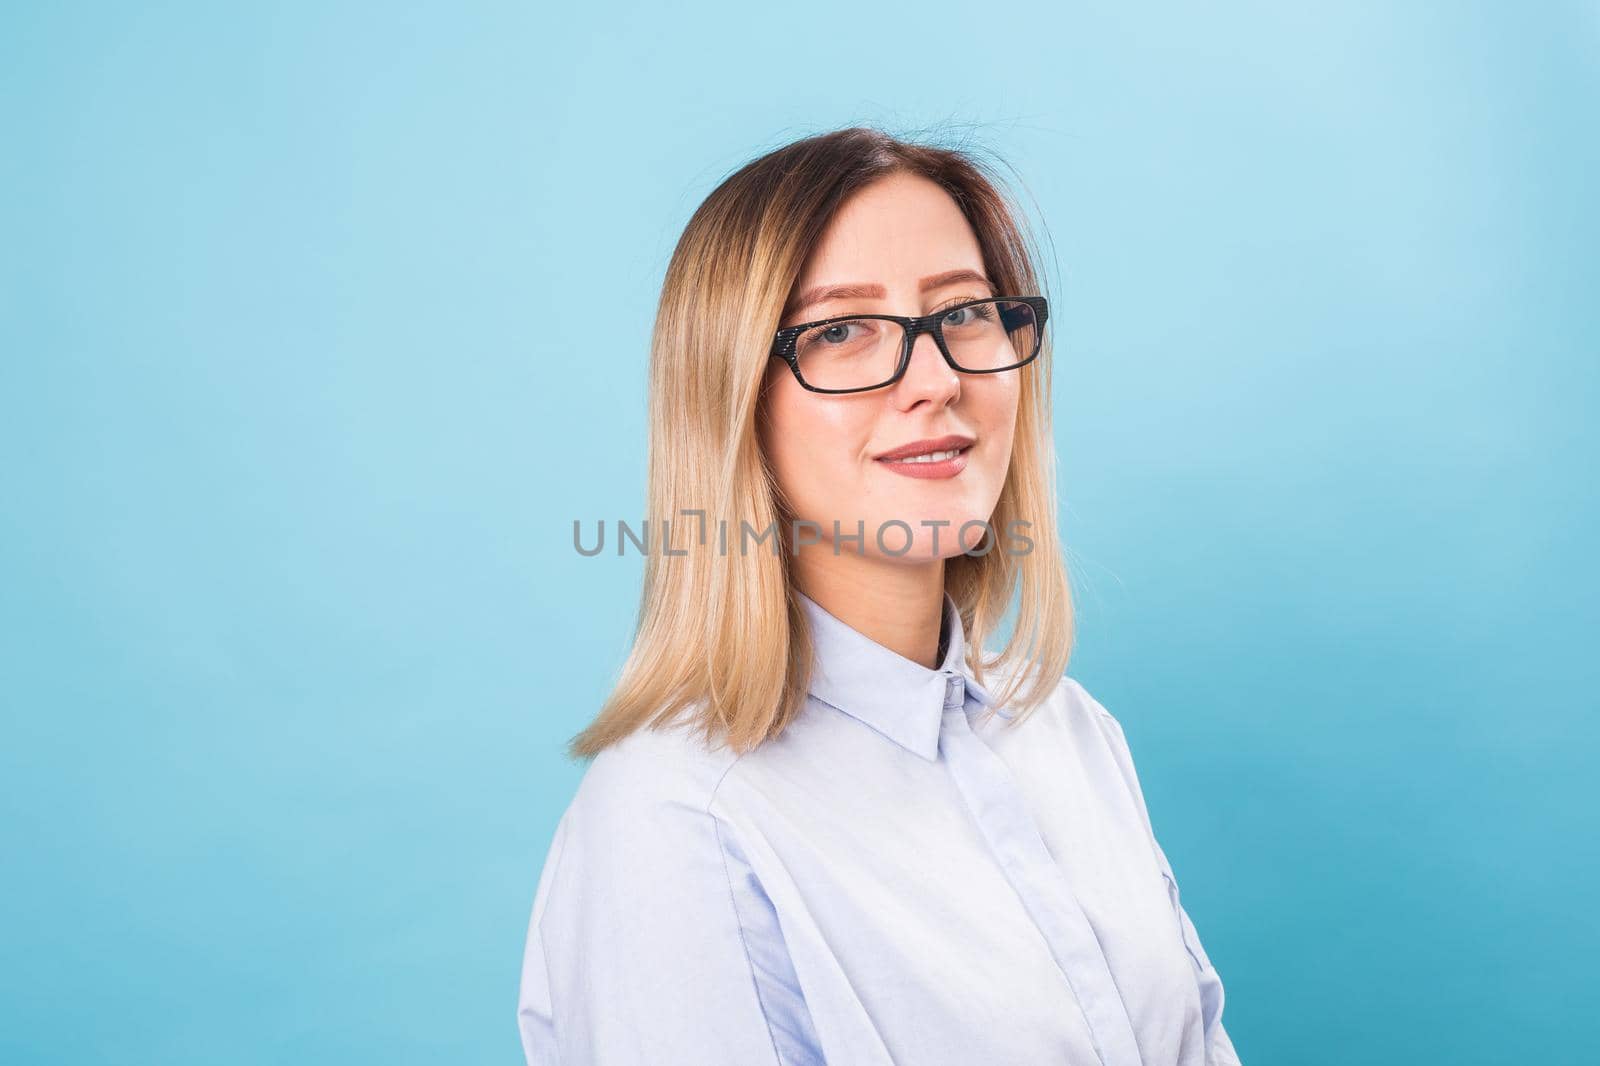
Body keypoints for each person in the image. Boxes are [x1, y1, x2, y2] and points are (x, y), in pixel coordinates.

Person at [516, 126, 1242, 1065]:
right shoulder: (679, 822)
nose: (936, 381)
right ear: (733, 399)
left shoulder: (1070, 731)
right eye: (841, 331)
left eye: (966, 312)